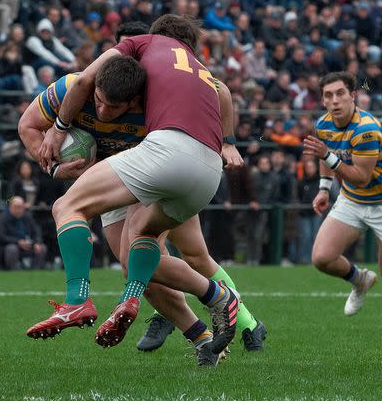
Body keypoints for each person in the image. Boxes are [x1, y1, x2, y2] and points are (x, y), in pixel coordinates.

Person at [19, 22, 266, 363]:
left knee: (67, 206)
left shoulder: (148, 74)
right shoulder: (189, 70)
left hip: (157, 159)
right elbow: (31, 123)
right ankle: (211, 313)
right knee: (139, 256)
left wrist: (61, 131)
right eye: (99, 103)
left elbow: (221, 91)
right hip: (202, 171)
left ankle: (78, 300)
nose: (103, 110)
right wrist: (54, 159)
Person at [303, 71, 382, 332]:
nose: (335, 100)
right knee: (322, 258)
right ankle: (359, 279)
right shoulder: (323, 125)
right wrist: (324, 189)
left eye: (340, 94)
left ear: (352, 96)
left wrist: (327, 156)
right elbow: (326, 160)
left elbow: (360, 177)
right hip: (352, 200)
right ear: (323, 101)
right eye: (328, 95)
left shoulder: (367, 128)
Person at [0, 196, 47, 270]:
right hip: (7, 246)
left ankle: (35, 271)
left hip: (27, 245)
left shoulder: (27, 217)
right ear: (10, 207)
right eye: (16, 207)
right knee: (12, 249)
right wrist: (18, 242)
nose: (19, 210)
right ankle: (12, 271)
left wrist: (36, 243)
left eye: (21, 207)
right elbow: (0, 236)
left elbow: (36, 232)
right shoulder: (2, 218)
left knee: (41, 248)